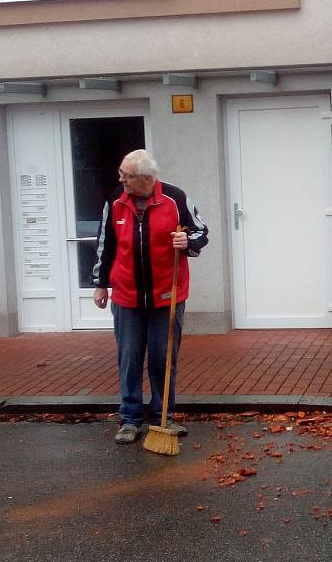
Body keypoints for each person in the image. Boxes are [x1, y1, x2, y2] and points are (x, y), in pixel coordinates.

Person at [92, 149, 208, 444]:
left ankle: (162, 416)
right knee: (129, 358)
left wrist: (187, 241)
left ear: (145, 178)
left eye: (126, 175)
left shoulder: (175, 198)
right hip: (127, 296)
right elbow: (105, 244)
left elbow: (201, 232)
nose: (120, 180)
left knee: (163, 358)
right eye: (121, 174)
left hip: (166, 295)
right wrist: (100, 283)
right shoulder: (115, 200)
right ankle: (129, 418)